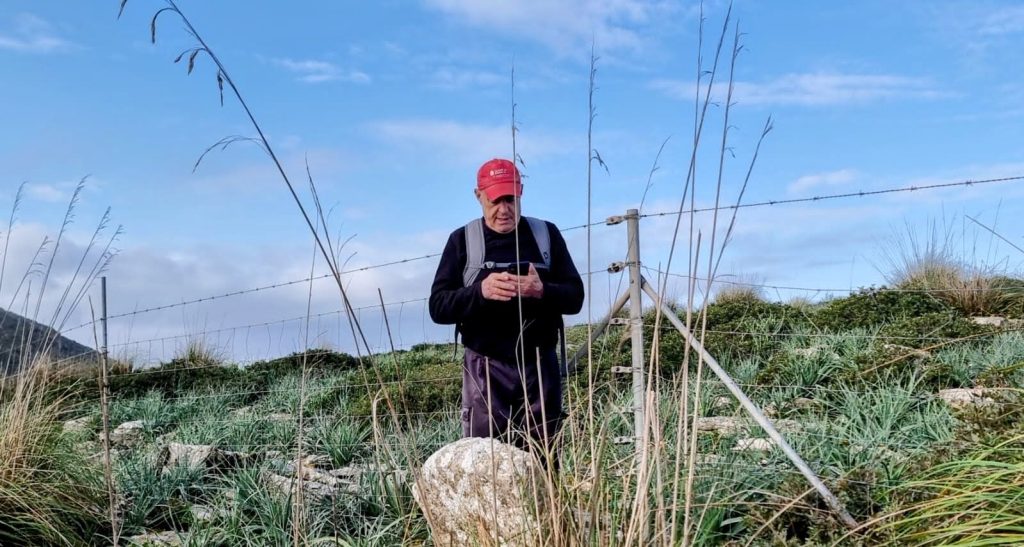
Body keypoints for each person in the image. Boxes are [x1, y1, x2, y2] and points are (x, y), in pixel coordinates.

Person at [429, 158, 584, 459]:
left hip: (541, 366)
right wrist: (481, 291)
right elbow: (438, 307)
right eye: (495, 200)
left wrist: (542, 290)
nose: (504, 210)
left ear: (521, 192)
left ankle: (543, 507)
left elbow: (575, 298)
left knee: (544, 458)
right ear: (479, 196)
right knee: (486, 463)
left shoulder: (546, 235)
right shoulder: (462, 241)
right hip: (485, 369)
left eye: (511, 199)